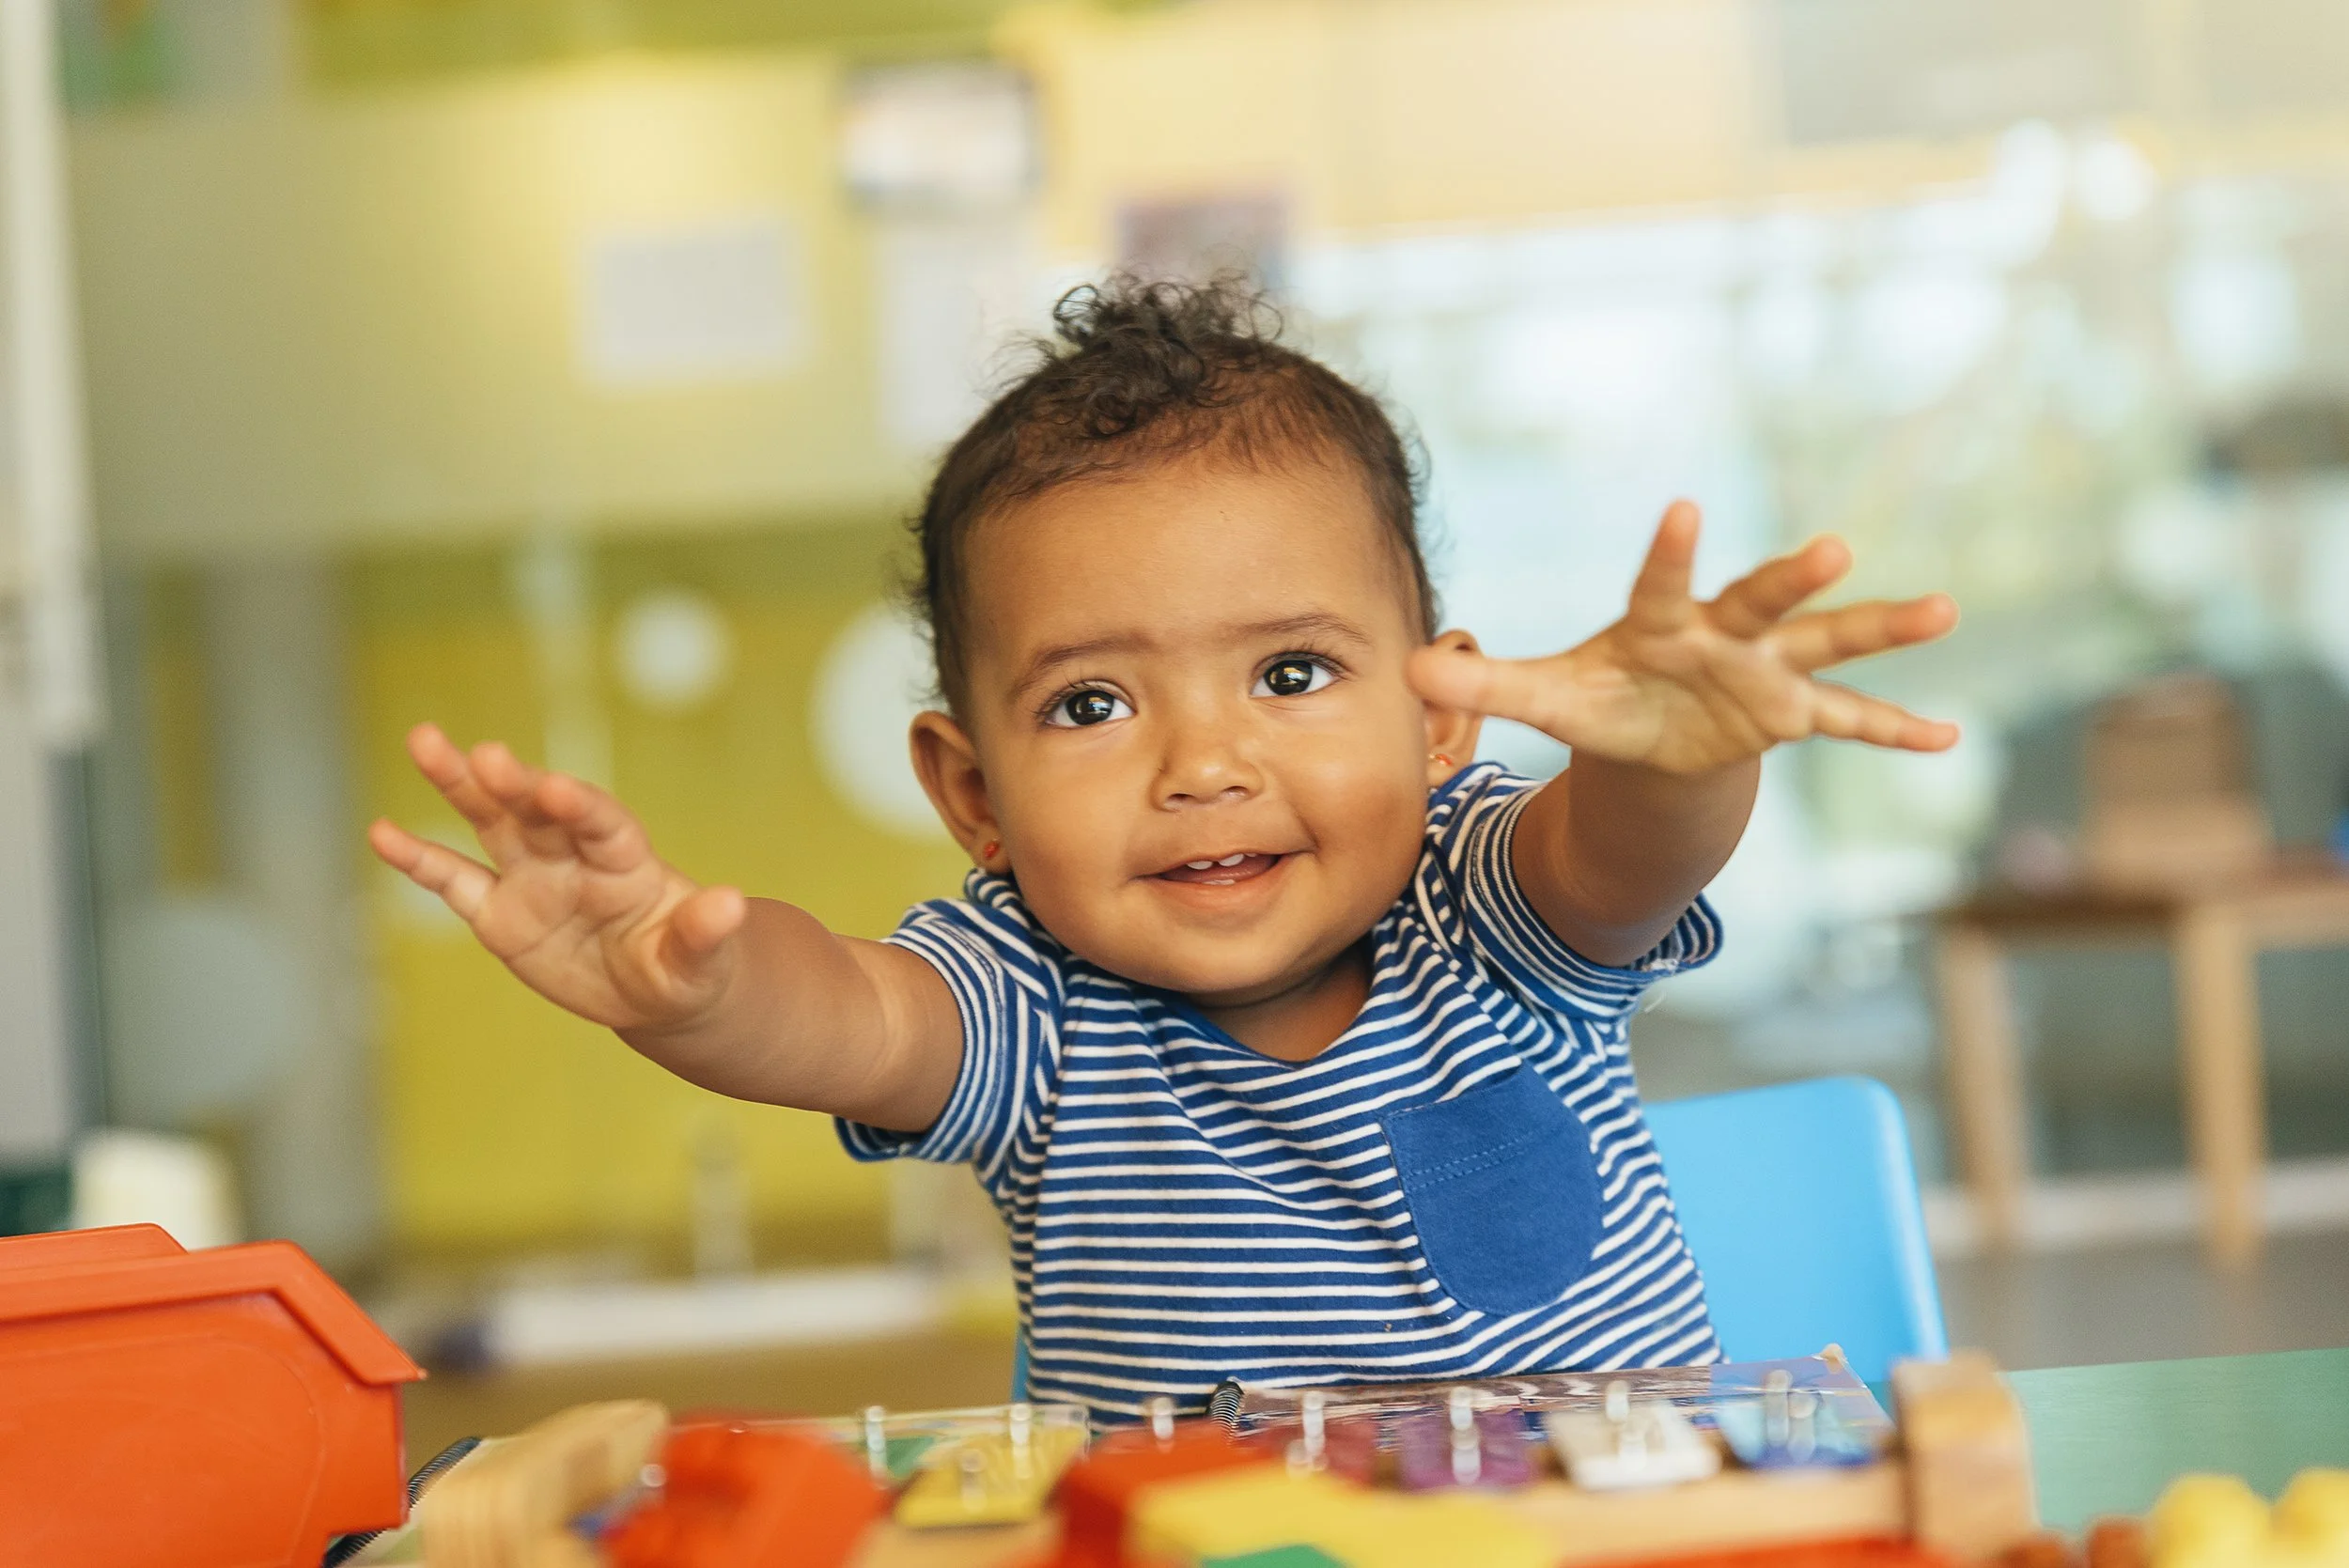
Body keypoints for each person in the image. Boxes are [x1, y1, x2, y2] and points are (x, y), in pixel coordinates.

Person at [370, 277, 1958, 1417]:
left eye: (1290, 674)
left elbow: (1625, 860)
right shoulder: (1025, 995)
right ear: (972, 794)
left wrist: (1679, 757)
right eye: (1092, 704)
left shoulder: (1482, 900)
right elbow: (847, 1021)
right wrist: (690, 992)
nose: (1205, 765)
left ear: (1438, 714)